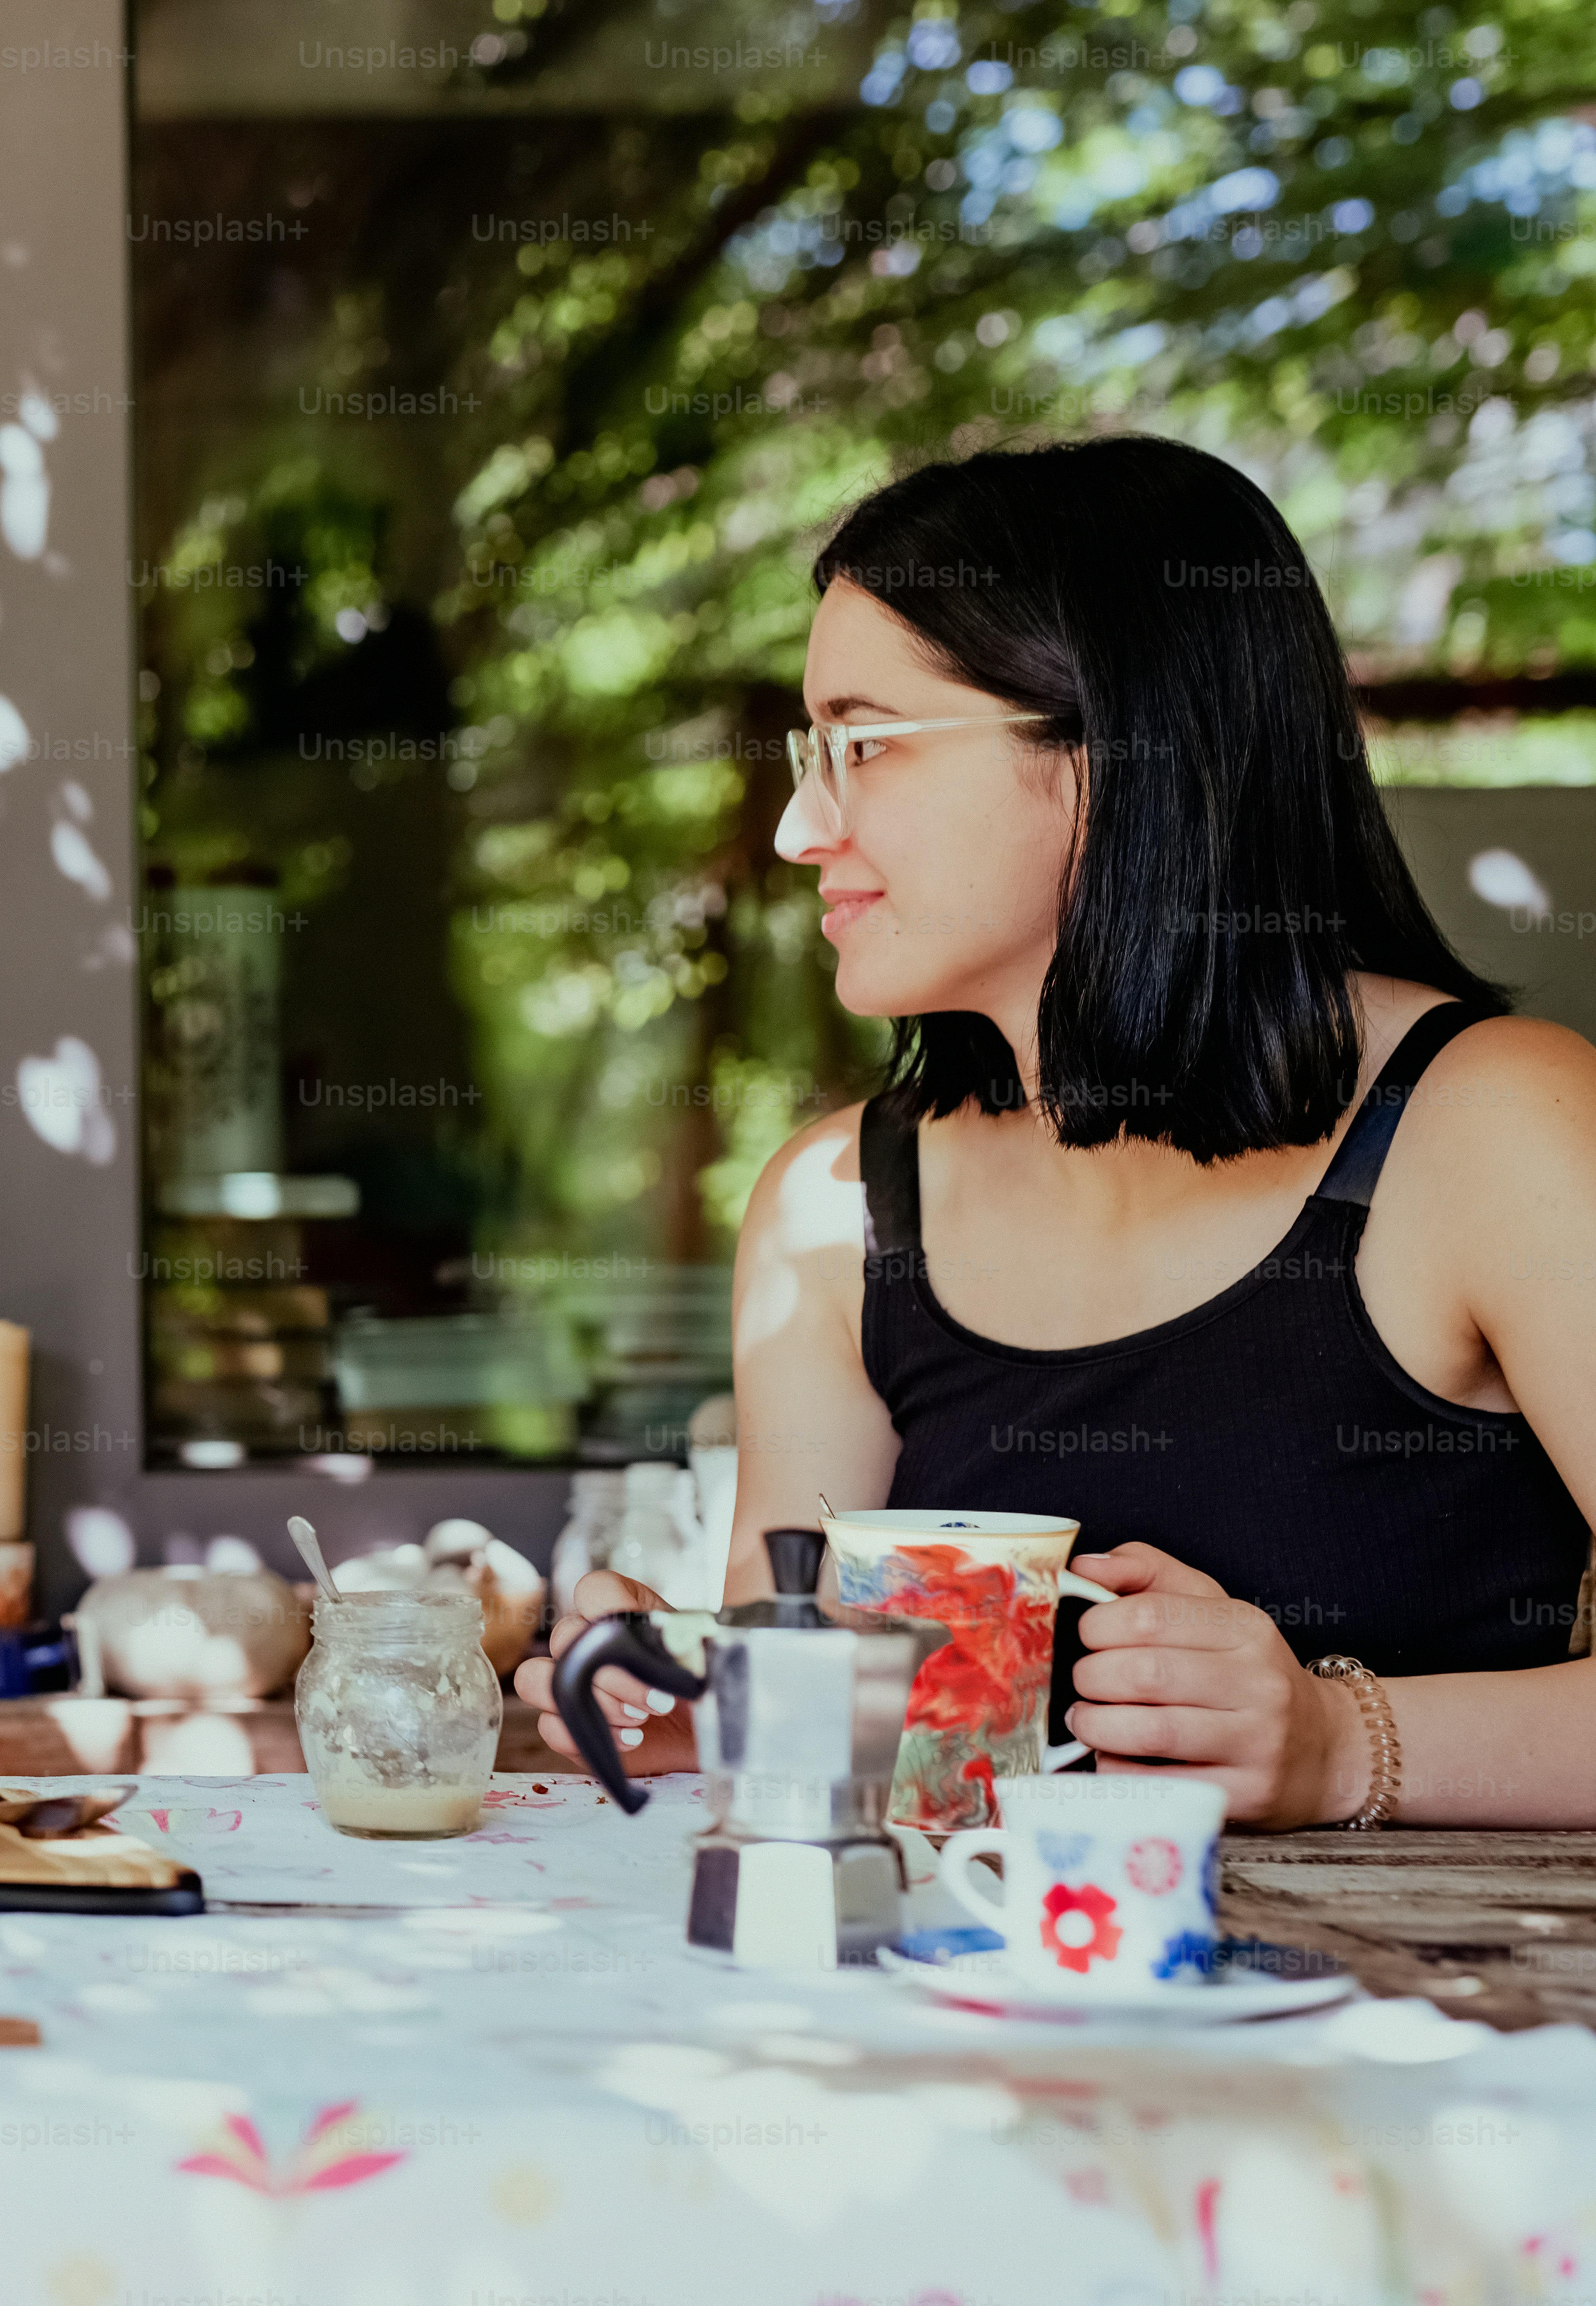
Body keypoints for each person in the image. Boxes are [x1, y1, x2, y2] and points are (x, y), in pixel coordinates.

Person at [515, 435, 1596, 1828]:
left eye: (868, 744)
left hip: (1434, 2022)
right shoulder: (837, 1209)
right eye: (811, 749)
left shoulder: (1495, 1126)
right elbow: (842, 1749)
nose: (798, 826)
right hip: (957, 2022)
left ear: (1120, 750)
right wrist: (690, 1705)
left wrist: (1342, 1744)